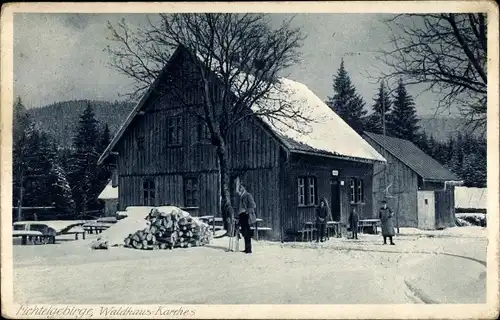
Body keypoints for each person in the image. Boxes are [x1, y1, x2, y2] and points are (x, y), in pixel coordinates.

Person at [237, 184, 257, 254]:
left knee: (247, 233)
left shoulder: (248, 195)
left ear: (244, 188)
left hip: (246, 216)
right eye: (240, 187)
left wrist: (246, 211)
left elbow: (253, 205)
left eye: (241, 187)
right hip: (241, 216)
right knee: (244, 233)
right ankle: (246, 248)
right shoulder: (240, 196)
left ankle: (249, 249)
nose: (240, 188)